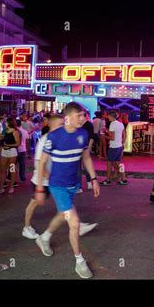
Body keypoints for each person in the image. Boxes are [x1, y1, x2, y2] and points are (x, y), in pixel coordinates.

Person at [35, 102, 100, 279]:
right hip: (57, 185)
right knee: (74, 222)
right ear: (68, 118)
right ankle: (79, 261)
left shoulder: (83, 134)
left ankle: (44, 237)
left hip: (74, 183)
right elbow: (41, 162)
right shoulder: (54, 137)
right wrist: (40, 188)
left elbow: (86, 158)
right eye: (79, 115)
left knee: (63, 214)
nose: (83, 118)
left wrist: (93, 179)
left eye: (84, 115)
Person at [23, 114, 97, 240]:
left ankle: (76, 224)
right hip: (42, 179)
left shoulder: (62, 137)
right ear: (51, 125)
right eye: (60, 124)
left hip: (57, 179)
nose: (63, 126)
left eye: (64, 123)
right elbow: (39, 164)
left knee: (66, 205)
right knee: (34, 204)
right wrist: (46, 183)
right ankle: (26, 227)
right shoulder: (46, 140)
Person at [100, 111, 127, 186]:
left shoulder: (112, 124)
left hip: (113, 147)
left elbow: (112, 138)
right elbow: (124, 134)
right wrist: (122, 143)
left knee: (109, 163)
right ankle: (123, 178)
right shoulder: (120, 124)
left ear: (111, 117)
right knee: (118, 163)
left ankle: (108, 180)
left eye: (108, 116)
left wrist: (104, 136)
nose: (107, 117)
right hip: (119, 146)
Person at [0, 118, 20, 195]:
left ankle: (11, 187)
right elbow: (1, 139)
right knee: (2, 169)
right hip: (4, 151)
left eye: (6, 122)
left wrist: (8, 145)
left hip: (12, 152)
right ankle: (1, 187)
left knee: (12, 169)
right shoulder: (5, 130)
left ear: (9, 123)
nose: (4, 123)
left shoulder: (15, 132)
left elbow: (18, 144)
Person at [16, 119, 29, 184]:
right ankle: (22, 177)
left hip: (15, 150)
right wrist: (26, 150)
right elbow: (26, 142)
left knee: (12, 165)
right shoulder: (25, 131)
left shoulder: (15, 131)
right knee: (22, 165)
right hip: (23, 150)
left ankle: (10, 176)